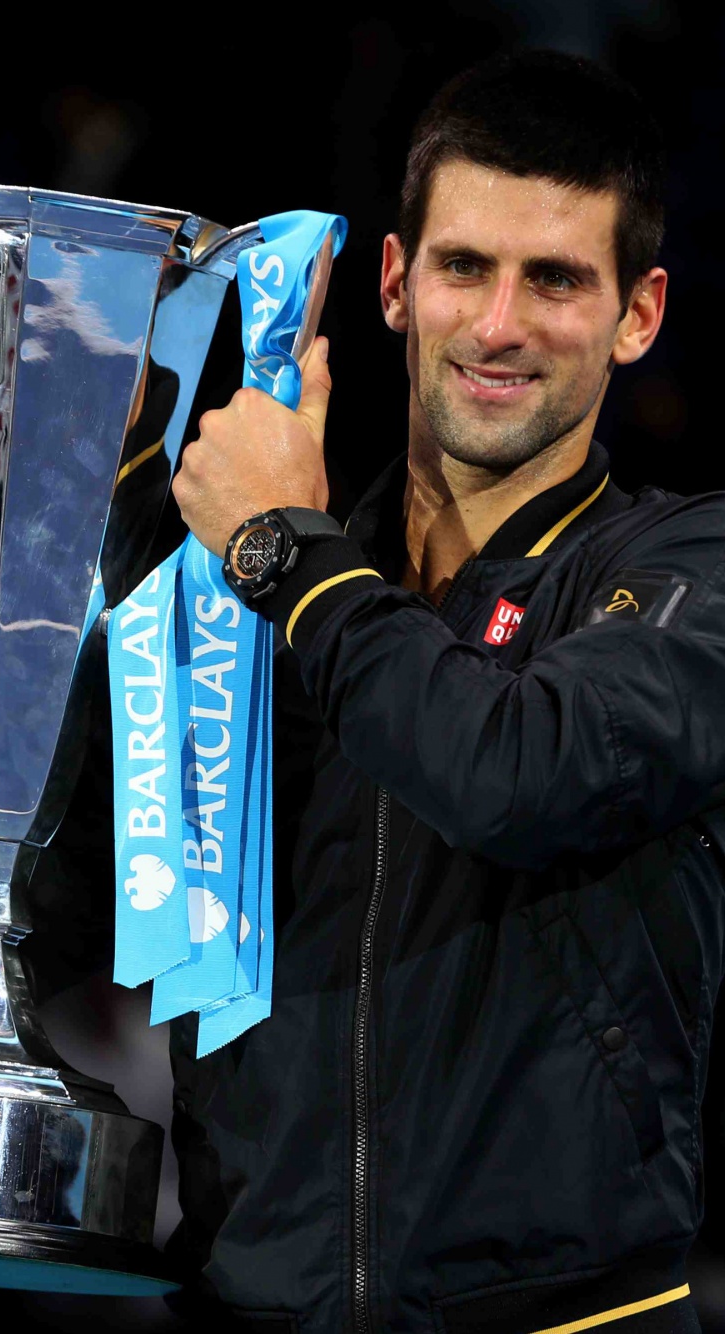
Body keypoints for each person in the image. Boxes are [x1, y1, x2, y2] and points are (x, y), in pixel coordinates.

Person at [169, 49, 725, 1334]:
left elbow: (519, 770)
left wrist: (282, 552)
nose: (498, 326)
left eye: (557, 281)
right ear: (394, 283)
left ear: (638, 314)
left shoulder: (684, 568)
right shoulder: (266, 588)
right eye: (464, 266)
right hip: (255, 1304)